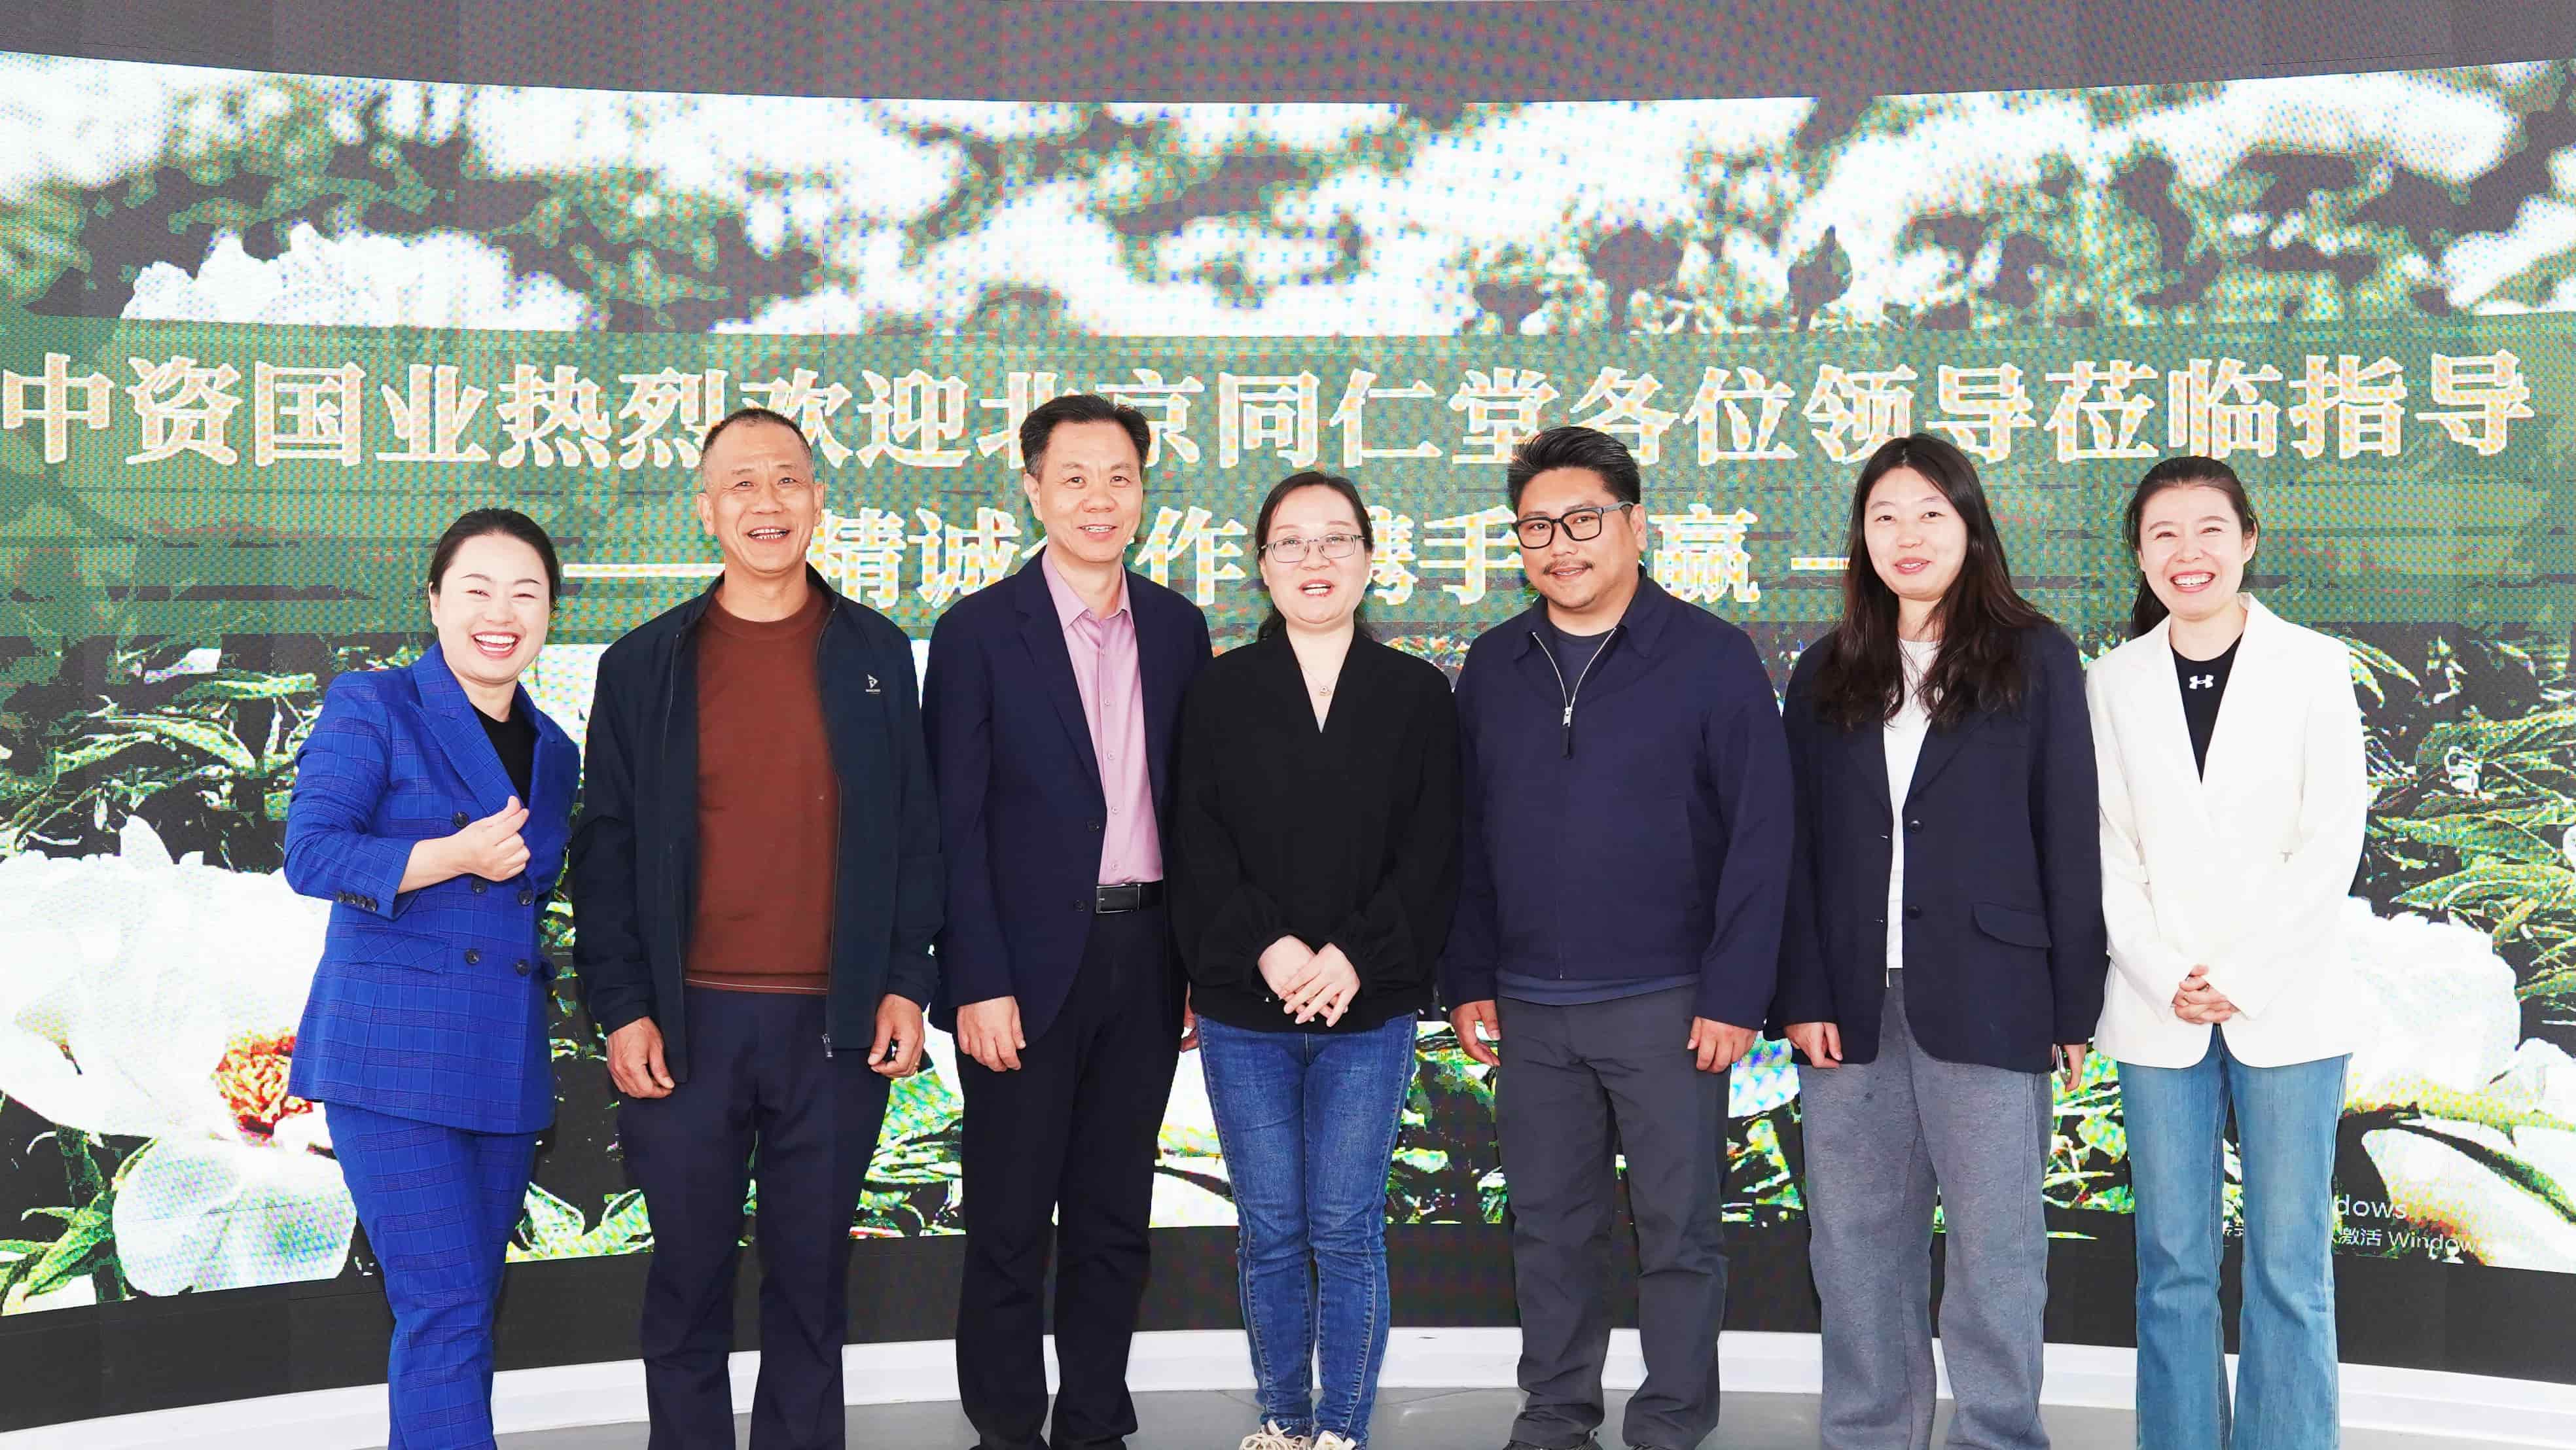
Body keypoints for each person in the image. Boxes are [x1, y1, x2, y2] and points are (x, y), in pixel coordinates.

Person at [569, 406, 942, 1450]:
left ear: (818, 501)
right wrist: (623, 1007)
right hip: (687, 1027)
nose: (766, 503)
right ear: (706, 510)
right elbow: (605, 850)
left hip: (835, 1028)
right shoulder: (644, 664)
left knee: (812, 1287)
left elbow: (916, 834)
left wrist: (906, 981)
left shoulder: (875, 653)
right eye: (742, 484)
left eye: (787, 481)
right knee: (687, 1282)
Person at [1440, 425, 1791, 1450]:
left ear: (1636, 525)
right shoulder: (1494, 665)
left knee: (1680, 1234)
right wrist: (1468, 976)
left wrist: (1734, 995)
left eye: (1584, 520)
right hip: (1528, 1007)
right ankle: (1556, 1414)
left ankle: (1671, 1422)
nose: (1562, 546)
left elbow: (1762, 839)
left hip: (1669, 1003)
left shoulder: (1712, 657)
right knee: (1551, 1230)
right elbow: (1464, 836)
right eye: (1537, 527)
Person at [1770, 434, 2104, 1450]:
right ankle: (1871, 1431)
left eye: (1930, 514)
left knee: (1998, 1249)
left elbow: (2067, 830)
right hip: (1850, 1003)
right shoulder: (1827, 670)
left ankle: (1998, 1434)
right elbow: (1794, 847)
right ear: (1861, 537)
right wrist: (1803, 993)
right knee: (1856, 1245)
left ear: (1971, 527)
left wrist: (2072, 1005)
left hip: (1992, 990)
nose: (1907, 536)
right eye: (1885, 517)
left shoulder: (2035, 656)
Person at [925, 393, 1211, 1450]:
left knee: (1113, 1214)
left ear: (1144, 492)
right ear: (1034, 490)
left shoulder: (1178, 630)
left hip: (1147, 954)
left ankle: (1095, 1420)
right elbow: (952, 826)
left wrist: (1197, 964)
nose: (1100, 499)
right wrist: (976, 979)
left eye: (1120, 478)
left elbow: (1198, 810)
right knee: (1009, 1220)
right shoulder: (977, 633)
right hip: (1022, 967)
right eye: (1076, 478)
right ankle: (1006, 1425)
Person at [1172, 471, 1461, 1450]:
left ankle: (1340, 1429)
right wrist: (1271, 945)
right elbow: (1197, 840)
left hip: (1367, 1008)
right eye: (1291, 542)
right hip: (1243, 1008)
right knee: (1272, 1229)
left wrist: (1351, 957)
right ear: (1262, 567)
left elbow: (1434, 851)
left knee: (1344, 1226)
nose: (1315, 560)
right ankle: (1282, 1421)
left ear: (1370, 560)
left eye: (1337, 539)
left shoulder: (1417, 694)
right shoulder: (1218, 692)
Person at [283, 508, 579, 1450]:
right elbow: (312, 854)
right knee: (445, 1307)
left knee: (463, 1310)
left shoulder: (556, 750)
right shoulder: (375, 704)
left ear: (550, 613)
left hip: (500, 1062)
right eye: (477, 590)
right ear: (436, 602)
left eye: (526, 594)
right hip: (391, 1057)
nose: (501, 614)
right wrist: (453, 855)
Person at [2088, 457, 2367, 1450]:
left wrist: (2239, 978)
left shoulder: (2315, 666)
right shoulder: (2111, 681)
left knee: (2290, 1265)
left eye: (2209, 529)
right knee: (2171, 1263)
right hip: (2155, 1005)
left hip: (2287, 1003)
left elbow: (2332, 840)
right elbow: (2107, 847)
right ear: (2140, 554)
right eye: (2162, 534)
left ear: (2248, 540)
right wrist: (2167, 975)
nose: (2187, 552)